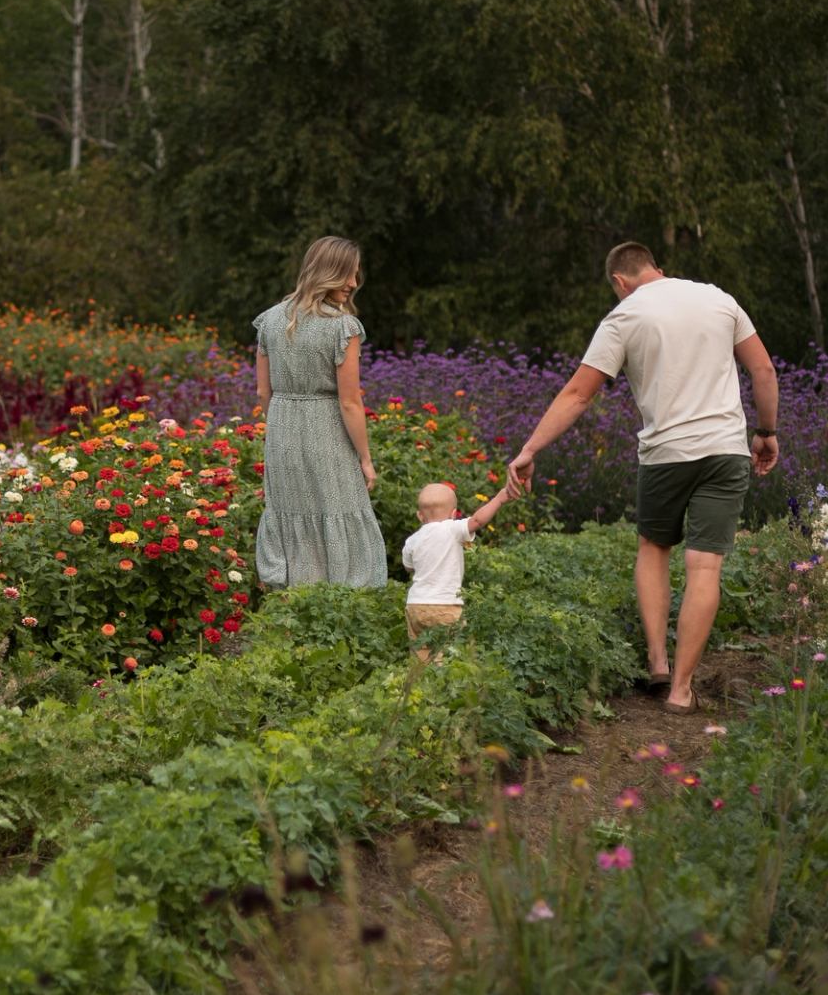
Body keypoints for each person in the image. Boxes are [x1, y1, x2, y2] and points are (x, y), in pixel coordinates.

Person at [506, 243, 779, 714]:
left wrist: (531, 449)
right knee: (705, 567)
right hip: (724, 450)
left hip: (665, 456)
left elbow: (577, 394)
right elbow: (764, 369)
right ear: (658, 268)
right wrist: (767, 432)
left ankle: (658, 663)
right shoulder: (718, 298)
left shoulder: (624, 316)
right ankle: (681, 691)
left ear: (619, 282)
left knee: (654, 548)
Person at [251, 236, 387, 588]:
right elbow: (350, 401)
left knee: (290, 511)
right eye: (347, 275)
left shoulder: (269, 321)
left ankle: (294, 596)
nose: (353, 284)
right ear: (327, 273)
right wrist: (366, 458)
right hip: (326, 430)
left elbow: (263, 391)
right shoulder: (343, 327)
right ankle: (343, 598)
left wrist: (283, 424)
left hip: (281, 430)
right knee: (338, 509)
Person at [402, 478, 519, 661]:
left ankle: (422, 683)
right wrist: (500, 498)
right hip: (447, 605)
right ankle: (448, 683)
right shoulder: (452, 528)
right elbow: (478, 520)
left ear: (420, 516)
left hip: (416, 605)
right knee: (455, 653)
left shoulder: (412, 540)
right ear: (454, 513)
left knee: (421, 653)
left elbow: (409, 567)